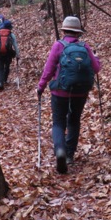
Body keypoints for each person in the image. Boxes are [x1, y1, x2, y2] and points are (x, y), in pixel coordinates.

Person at [37, 16, 101, 174]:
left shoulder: (58, 46)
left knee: (58, 122)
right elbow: (96, 68)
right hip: (80, 92)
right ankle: (69, 155)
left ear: (64, 30)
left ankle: (60, 151)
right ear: (78, 32)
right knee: (74, 121)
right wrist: (97, 58)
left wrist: (40, 87)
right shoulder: (84, 46)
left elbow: (49, 69)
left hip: (60, 92)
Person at [0, 20, 18, 91]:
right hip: (8, 53)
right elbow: (15, 46)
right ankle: (5, 80)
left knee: (0, 68)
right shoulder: (11, 35)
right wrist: (17, 54)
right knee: (7, 66)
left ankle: (0, 82)